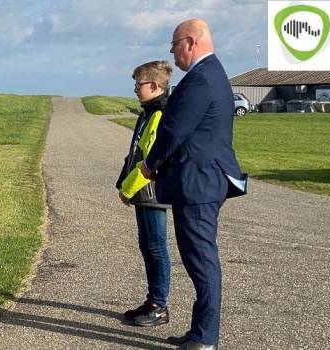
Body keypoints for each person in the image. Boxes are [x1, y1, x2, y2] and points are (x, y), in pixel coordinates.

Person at [141, 19, 247, 350]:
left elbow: (174, 131)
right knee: (198, 258)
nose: (172, 53)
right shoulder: (210, 74)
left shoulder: (201, 78)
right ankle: (200, 331)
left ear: (190, 42)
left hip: (199, 182)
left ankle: (205, 338)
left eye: (174, 45)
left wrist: (150, 164)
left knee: (201, 260)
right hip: (201, 179)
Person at [115, 60, 173, 327]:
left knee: (156, 248)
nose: (135, 89)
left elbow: (150, 158)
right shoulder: (147, 111)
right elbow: (135, 151)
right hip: (141, 190)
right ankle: (152, 301)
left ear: (155, 85)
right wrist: (122, 182)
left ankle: (159, 306)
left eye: (139, 84)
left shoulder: (161, 113)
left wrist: (128, 189)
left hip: (151, 191)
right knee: (147, 247)